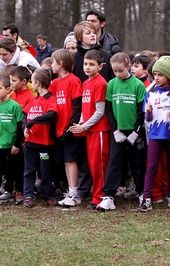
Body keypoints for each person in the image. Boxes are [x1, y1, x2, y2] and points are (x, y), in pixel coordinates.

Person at [96, 52, 146, 211]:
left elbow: (142, 112)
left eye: (121, 71)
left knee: (137, 163)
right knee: (114, 162)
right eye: (115, 71)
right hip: (118, 132)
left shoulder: (138, 85)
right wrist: (115, 130)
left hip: (135, 132)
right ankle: (108, 196)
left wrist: (136, 132)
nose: (118, 74)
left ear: (128, 66)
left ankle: (142, 193)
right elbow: (109, 110)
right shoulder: (111, 84)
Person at [137, 56, 170, 212]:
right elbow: (148, 118)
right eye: (155, 74)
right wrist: (148, 112)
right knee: (152, 167)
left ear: (168, 76)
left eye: (160, 75)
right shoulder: (150, 94)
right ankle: (147, 198)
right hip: (155, 136)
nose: (157, 78)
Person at [69, 50, 111, 210]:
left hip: (99, 130)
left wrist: (84, 126)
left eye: (92, 64)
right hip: (89, 131)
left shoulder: (100, 83)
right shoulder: (85, 83)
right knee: (92, 164)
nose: (87, 67)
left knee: (100, 163)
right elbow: (85, 109)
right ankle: (96, 194)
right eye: (86, 64)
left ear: (100, 66)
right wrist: (80, 122)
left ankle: (100, 196)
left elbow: (99, 111)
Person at [47, 49, 81, 207]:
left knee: (71, 160)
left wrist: (71, 126)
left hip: (70, 130)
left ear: (60, 64)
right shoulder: (54, 83)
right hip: (59, 129)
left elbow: (77, 105)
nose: (51, 65)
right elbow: (52, 105)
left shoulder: (74, 81)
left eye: (53, 62)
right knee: (64, 162)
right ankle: (70, 190)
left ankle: (74, 193)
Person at [0, 66, 34, 205]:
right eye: (10, 80)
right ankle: (8, 189)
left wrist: (20, 141)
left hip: (21, 139)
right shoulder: (11, 96)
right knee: (8, 164)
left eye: (13, 80)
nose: (11, 84)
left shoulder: (30, 97)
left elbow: (24, 121)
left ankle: (20, 191)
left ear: (24, 81)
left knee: (20, 165)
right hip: (7, 138)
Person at [22, 68, 57, 208]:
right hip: (30, 143)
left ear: (37, 82)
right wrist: (25, 127)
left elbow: (51, 114)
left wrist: (32, 122)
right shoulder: (33, 100)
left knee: (45, 171)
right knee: (29, 170)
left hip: (44, 143)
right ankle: (28, 196)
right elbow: (25, 117)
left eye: (32, 81)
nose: (31, 83)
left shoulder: (50, 99)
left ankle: (47, 195)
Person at [0, 76, 23, 207]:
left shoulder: (14, 106)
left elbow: (20, 126)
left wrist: (17, 144)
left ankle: (19, 192)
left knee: (15, 169)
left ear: (8, 89)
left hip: (12, 146)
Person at [0, 38, 40, 102]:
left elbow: (14, 82)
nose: (2, 57)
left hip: (35, 89)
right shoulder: (1, 61)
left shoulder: (24, 58)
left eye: (4, 54)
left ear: (13, 51)